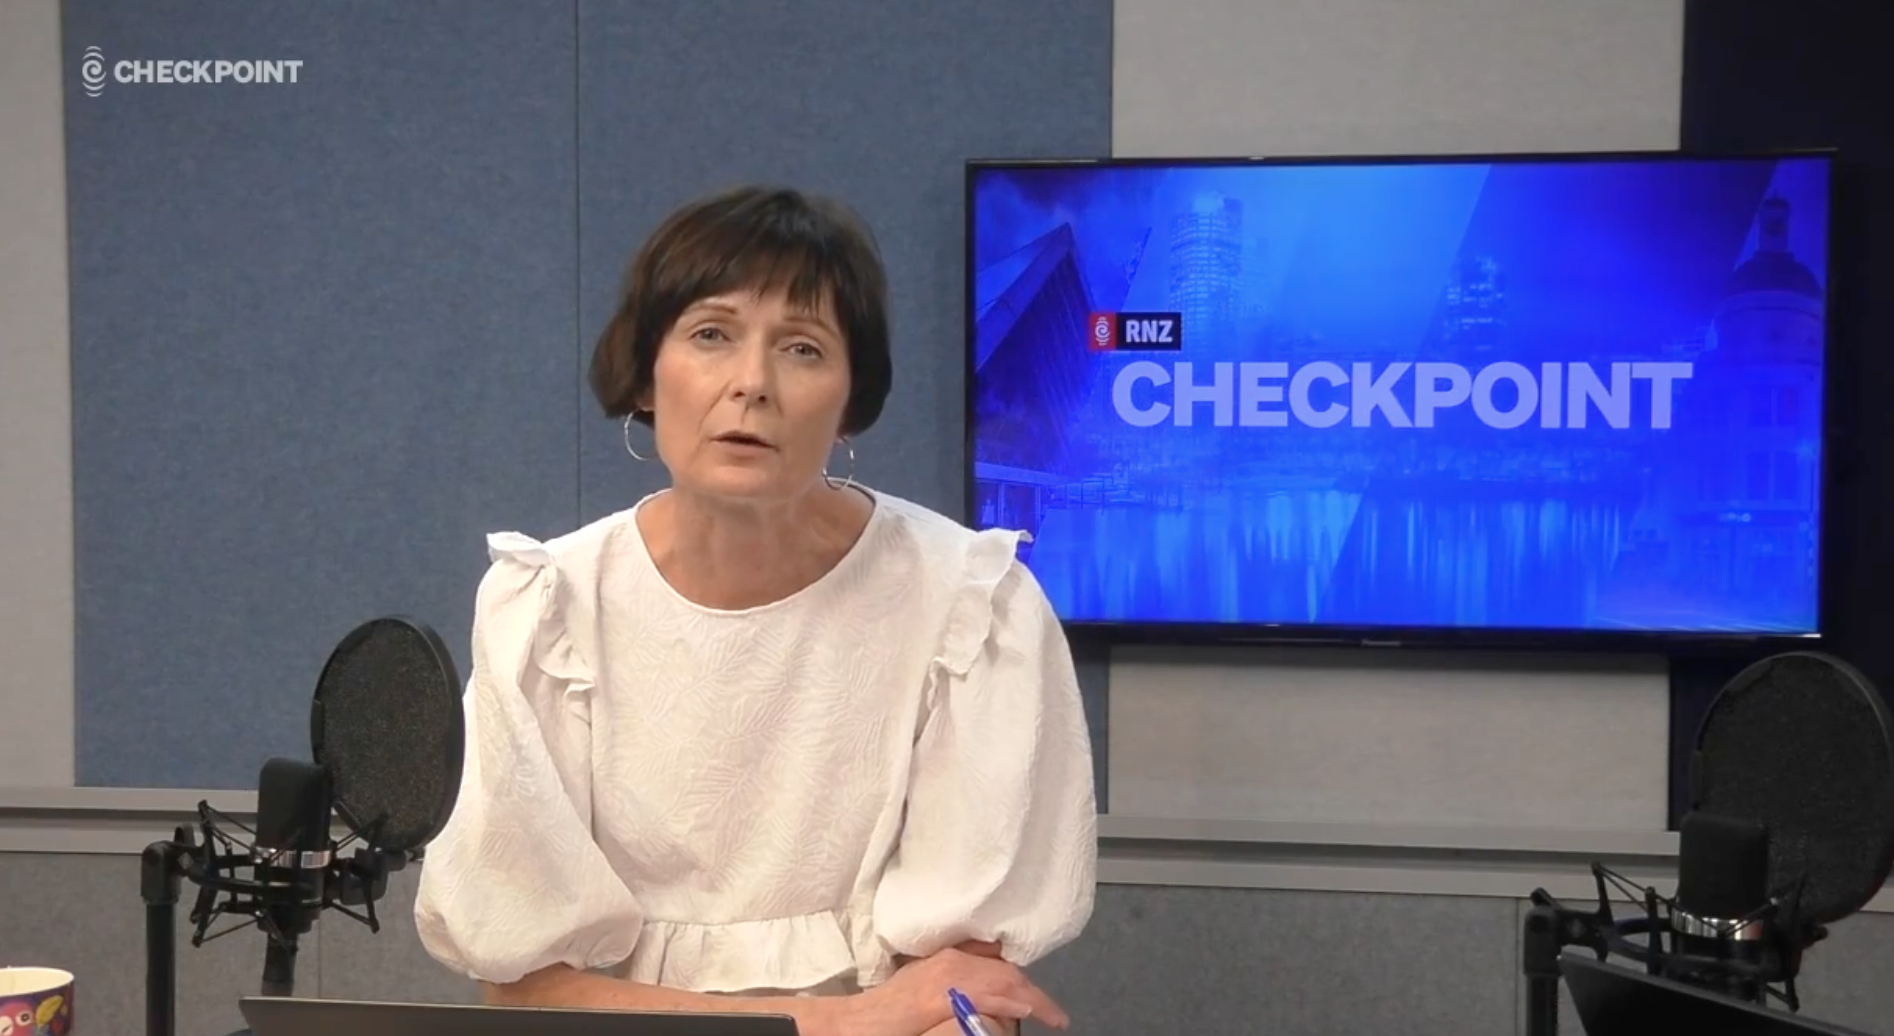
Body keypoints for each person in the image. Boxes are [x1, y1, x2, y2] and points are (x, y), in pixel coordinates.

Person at [413, 185, 1098, 1036]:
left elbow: (958, 992)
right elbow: (526, 992)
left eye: (803, 348)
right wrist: (838, 1023)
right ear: (646, 374)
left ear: (850, 403)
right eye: (711, 334)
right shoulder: (545, 608)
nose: (751, 384)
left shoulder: (972, 605)